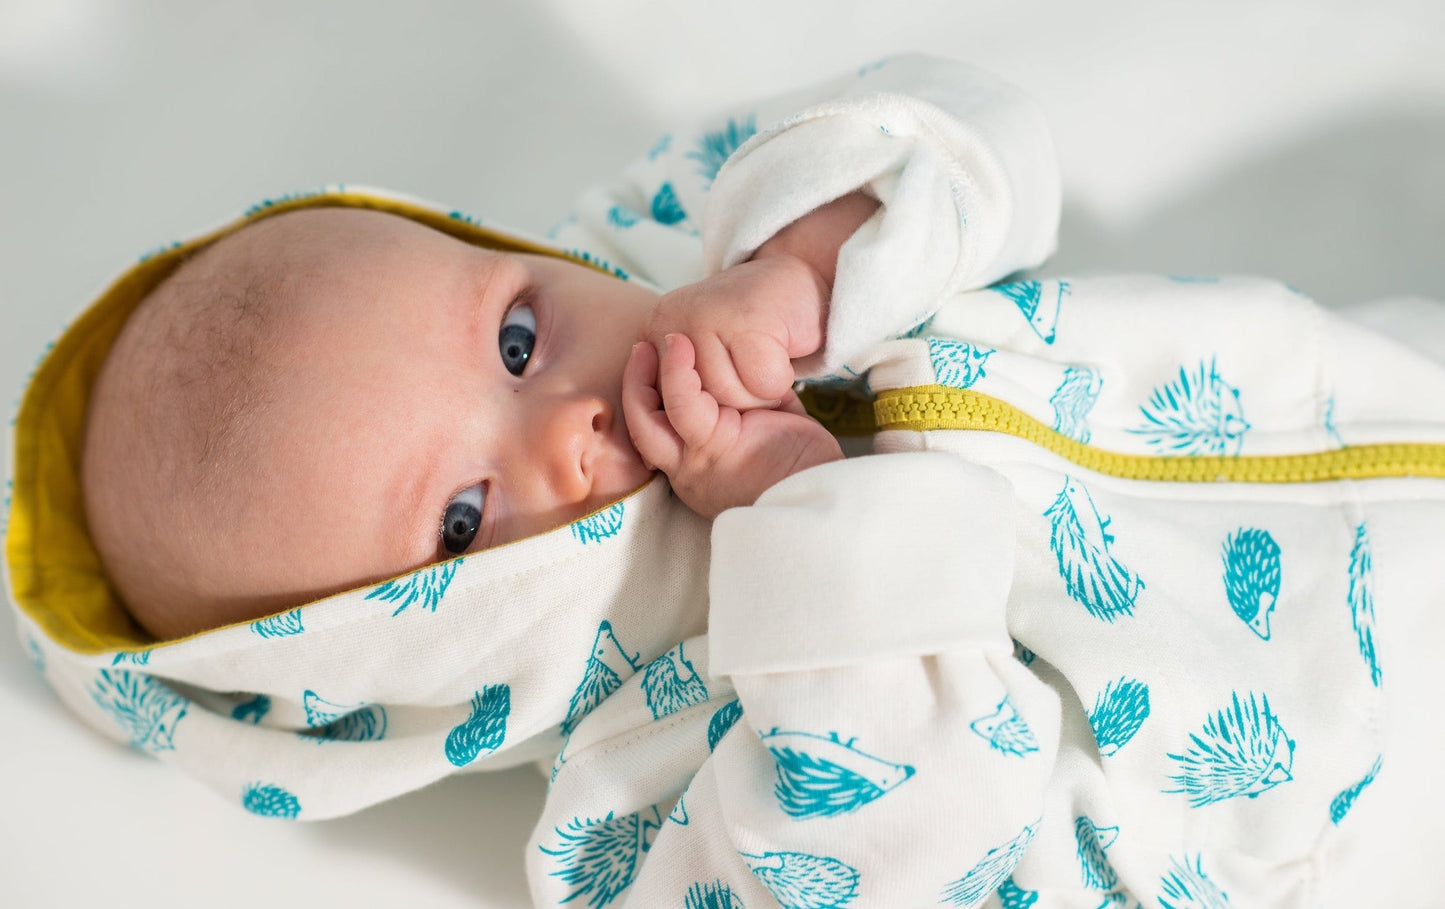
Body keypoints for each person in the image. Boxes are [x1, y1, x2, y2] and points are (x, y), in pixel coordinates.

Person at [6, 55, 1442, 907]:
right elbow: (925, 859)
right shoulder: (639, 784)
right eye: (460, 519)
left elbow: (972, 137)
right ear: (405, 687)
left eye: (515, 338)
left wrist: (797, 264)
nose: (566, 419)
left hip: (1363, 381)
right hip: (1377, 779)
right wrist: (797, 537)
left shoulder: (673, 246)